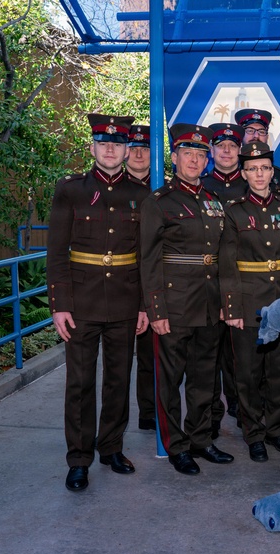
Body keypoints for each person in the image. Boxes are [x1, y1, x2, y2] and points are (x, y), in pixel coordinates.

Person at [47, 114, 150, 491]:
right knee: (79, 382)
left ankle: (111, 447)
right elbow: (57, 252)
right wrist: (59, 304)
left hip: (124, 300)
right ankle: (78, 459)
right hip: (81, 302)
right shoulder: (70, 189)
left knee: (119, 379)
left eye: (117, 143)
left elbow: (145, 257)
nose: (110, 148)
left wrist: (143, 305)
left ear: (127, 150)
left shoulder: (142, 196)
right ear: (92, 147)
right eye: (103, 142)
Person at [140, 123, 235, 476]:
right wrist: (155, 308)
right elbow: (148, 260)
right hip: (175, 304)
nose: (194, 160)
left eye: (200, 154)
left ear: (207, 159)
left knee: (204, 378)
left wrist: (226, 300)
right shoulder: (159, 201)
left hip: (209, 304)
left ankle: (200, 440)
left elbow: (221, 256)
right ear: (175, 157)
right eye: (187, 153)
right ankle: (176, 445)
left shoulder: (213, 200)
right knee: (170, 379)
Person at [220, 141, 280, 462]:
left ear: (273, 172)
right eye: (253, 169)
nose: (260, 174)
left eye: (265, 168)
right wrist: (230, 308)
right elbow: (226, 265)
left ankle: (276, 430)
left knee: (279, 370)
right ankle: (254, 433)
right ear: (244, 173)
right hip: (247, 303)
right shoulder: (234, 212)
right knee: (247, 373)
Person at [203, 122, 247, 437]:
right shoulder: (201, 186)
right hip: (204, 281)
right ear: (212, 151)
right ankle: (212, 416)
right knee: (209, 354)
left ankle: (242, 408)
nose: (227, 151)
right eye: (221, 146)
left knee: (241, 354)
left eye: (232, 146)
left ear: (240, 150)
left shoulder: (252, 186)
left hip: (242, 280)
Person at [124, 124, 157, 432]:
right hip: (122, 281)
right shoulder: (114, 189)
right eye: (133, 148)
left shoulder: (161, 188)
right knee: (126, 360)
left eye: (145, 148)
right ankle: (144, 412)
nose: (138, 153)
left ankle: (156, 410)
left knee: (155, 354)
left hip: (158, 282)